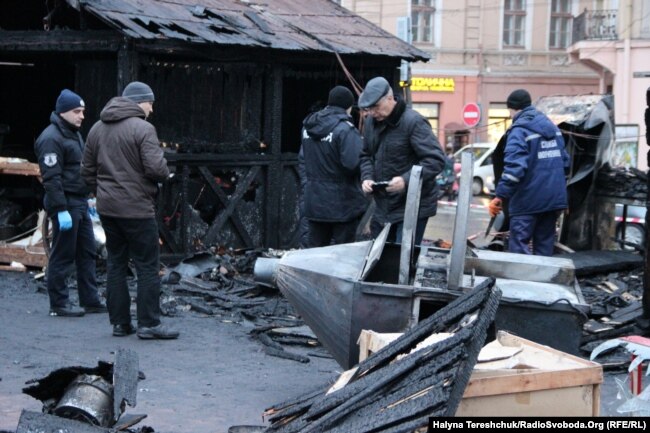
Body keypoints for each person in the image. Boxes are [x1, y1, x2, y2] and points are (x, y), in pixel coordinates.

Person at [82, 81, 179, 339]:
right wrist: (164, 166)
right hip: (137, 209)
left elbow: (87, 172)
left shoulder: (96, 129)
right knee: (147, 266)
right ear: (139, 102)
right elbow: (157, 170)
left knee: (115, 264)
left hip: (108, 209)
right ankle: (149, 324)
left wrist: (103, 192)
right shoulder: (143, 129)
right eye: (150, 103)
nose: (151, 109)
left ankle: (120, 324)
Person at [34, 89, 106, 317]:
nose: (82, 116)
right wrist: (60, 209)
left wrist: (89, 196)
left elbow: (78, 169)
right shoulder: (51, 138)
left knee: (87, 252)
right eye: (77, 111)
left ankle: (90, 299)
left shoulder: (72, 133)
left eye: (83, 111)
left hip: (79, 202)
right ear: (63, 112)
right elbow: (52, 179)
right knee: (62, 254)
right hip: (66, 203)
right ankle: (59, 303)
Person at [358, 77, 446, 244]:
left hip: (413, 207)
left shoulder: (413, 121)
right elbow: (366, 155)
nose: (372, 112)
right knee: (380, 258)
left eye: (376, 107)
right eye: (369, 108)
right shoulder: (371, 122)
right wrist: (367, 177)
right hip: (383, 206)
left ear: (390, 99)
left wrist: (406, 180)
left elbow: (435, 160)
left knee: (403, 260)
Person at [487, 89, 569, 256]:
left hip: (527, 201)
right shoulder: (553, 128)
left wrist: (500, 196)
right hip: (552, 200)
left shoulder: (519, 131)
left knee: (519, 248)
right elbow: (565, 163)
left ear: (512, 109)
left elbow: (514, 169)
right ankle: (543, 281)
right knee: (544, 248)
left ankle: (522, 282)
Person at [299, 86, 368, 247]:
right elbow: (353, 164)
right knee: (342, 255)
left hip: (314, 202)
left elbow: (303, 159)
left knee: (315, 253)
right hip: (342, 205)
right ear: (348, 107)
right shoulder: (345, 129)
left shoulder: (308, 128)